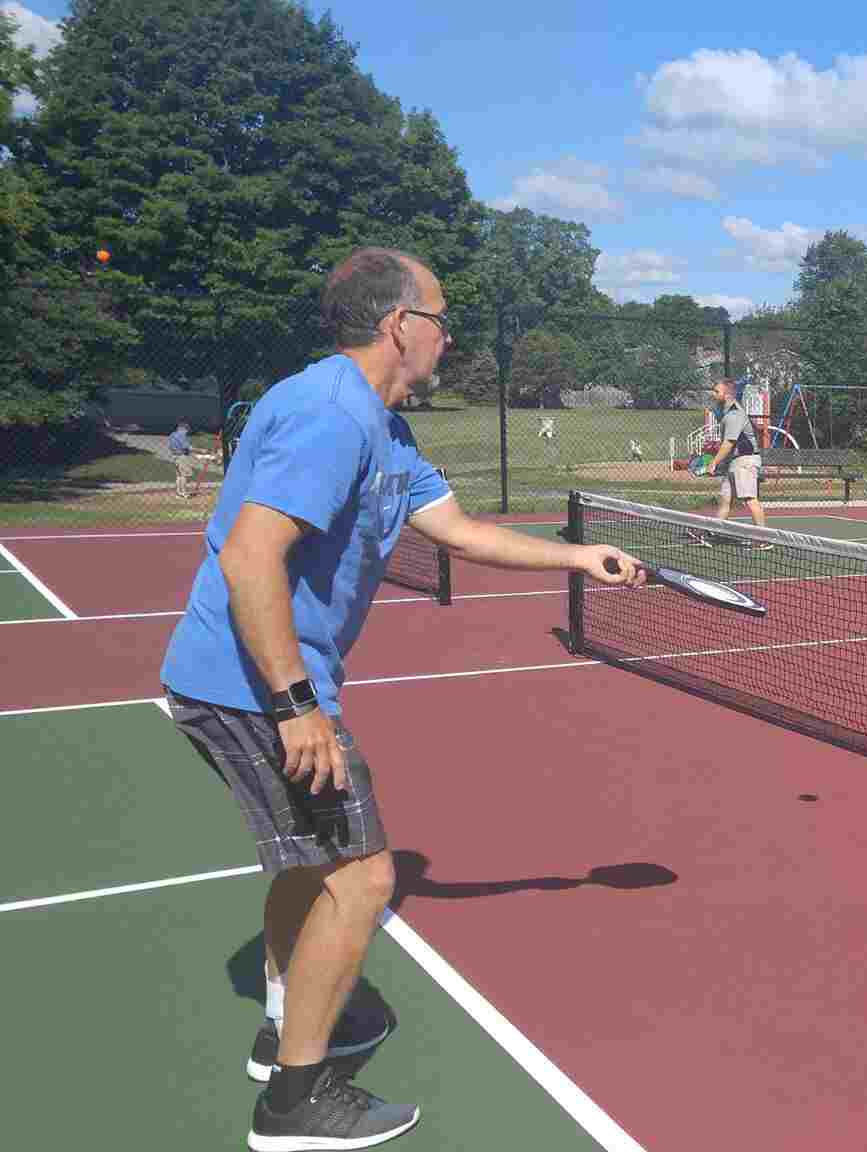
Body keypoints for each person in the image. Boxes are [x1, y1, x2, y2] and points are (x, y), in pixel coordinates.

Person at [159, 247, 646, 1151]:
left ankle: (284, 1032)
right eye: (441, 317)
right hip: (255, 685)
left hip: (258, 680)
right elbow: (248, 555)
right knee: (365, 876)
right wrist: (298, 705)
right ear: (400, 326)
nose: (448, 336)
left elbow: (455, 529)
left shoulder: (384, 427)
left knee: (310, 864)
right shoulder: (328, 414)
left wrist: (579, 557)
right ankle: (296, 1103)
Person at [704, 376, 772, 546]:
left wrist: (714, 462)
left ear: (727, 395)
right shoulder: (727, 413)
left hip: (745, 462)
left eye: (716, 391)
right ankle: (715, 533)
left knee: (750, 499)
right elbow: (728, 445)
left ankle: (763, 539)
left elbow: (729, 443)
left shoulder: (734, 414)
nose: (713, 394)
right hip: (735, 462)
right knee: (725, 500)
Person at [168, 419, 197, 499]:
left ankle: (178, 493)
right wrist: (201, 450)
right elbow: (187, 447)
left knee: (179, 475)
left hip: (174, 456)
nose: (187, 432)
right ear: (183, 429)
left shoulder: (172, 434)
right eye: (186, 430)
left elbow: (170, 446)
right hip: (182, 457)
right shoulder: (182, 435)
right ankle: (184, 493)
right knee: (184, 475)